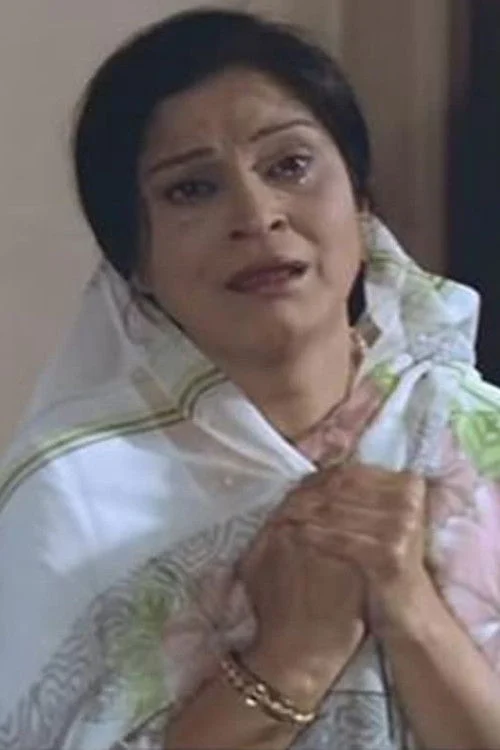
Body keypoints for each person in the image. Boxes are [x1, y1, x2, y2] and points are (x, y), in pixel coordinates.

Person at [0, 8, 499, 750]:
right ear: (135, 261)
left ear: (360, 202)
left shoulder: (473, 439)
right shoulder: (74, 498)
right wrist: (292, 656)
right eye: (191, 189)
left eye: (289, 165)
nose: (257, 214)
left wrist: (410, 607)